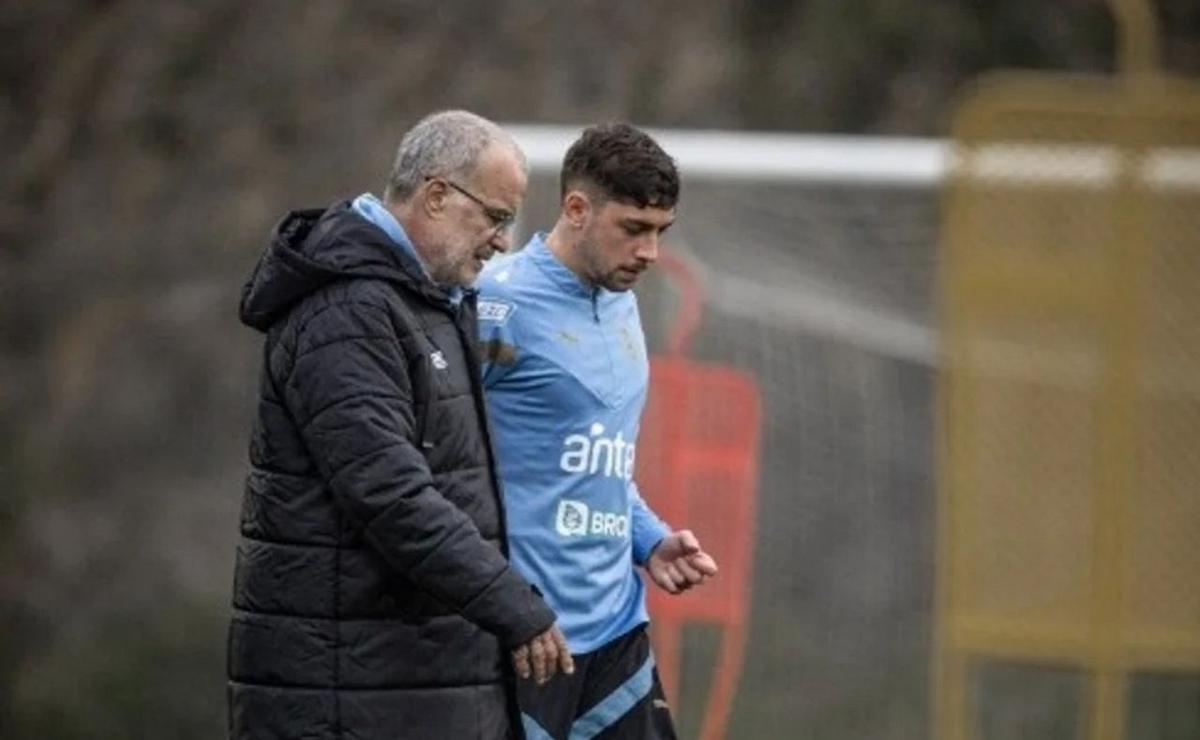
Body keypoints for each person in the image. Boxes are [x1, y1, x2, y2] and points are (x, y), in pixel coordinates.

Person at [228, 110, 573, 740]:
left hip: (412, 683)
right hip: (350, 694)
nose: (503, 240)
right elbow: (391, 494)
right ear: (437, 195)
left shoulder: (428, 303)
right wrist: (514, 606)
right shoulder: (348, 309)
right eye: (495, 217)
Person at [476, 123, 719, 740]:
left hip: (617, 633)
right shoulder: (493, 304)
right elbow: (434, 461)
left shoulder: (622, 301)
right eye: (633, 229)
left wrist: (648, 539)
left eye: (661, 231)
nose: (650, 252)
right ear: (576, 209)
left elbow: (590, 459)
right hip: (528, 641)